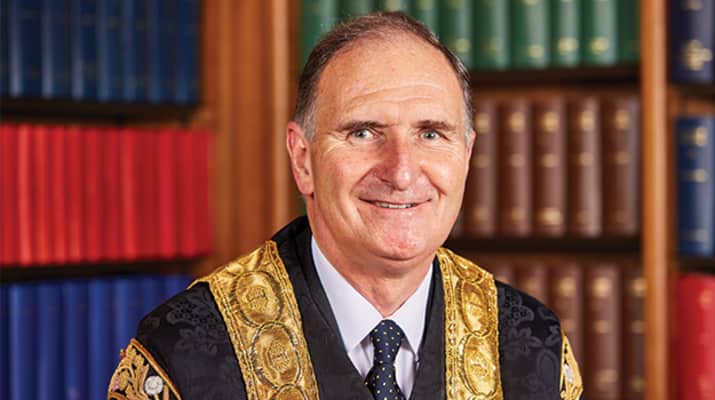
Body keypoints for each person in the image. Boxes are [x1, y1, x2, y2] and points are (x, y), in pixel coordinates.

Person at [108, 12, 582, 400]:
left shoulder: (529, 350)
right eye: (363, 132)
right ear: (303, 159)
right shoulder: (184, 357)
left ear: (467, 154)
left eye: (431, 134)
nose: (401, 172)